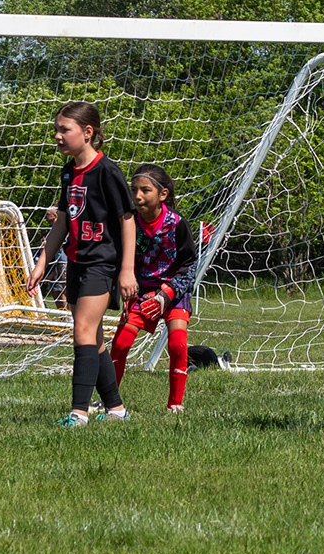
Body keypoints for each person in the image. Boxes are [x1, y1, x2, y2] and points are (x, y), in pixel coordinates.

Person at [26, 101, 138, 428]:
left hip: (102, 263)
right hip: (76, 261)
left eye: (65, 130)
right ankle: (115, 408)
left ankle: (79, 412)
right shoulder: (68, 171)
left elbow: (127, 220)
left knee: (83, 330)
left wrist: (127, 269)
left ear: (88, 133)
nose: (57, 136)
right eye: (56, 130)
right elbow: (62, 221)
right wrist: (43, 261)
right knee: (95, 337)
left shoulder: (107, 171)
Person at [108, 165, 198, 413]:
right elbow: (120, 261)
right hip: (140, 293)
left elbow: (190, 265)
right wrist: (125, 289)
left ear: (163, 194)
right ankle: (108, 400)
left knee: (178, 344)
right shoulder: (128, 223)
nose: (137, 196)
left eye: (144, 190)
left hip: (173, 293)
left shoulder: (177, 224)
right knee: (121, 344)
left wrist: (167, 293)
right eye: (134, 190)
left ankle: (175, 405)